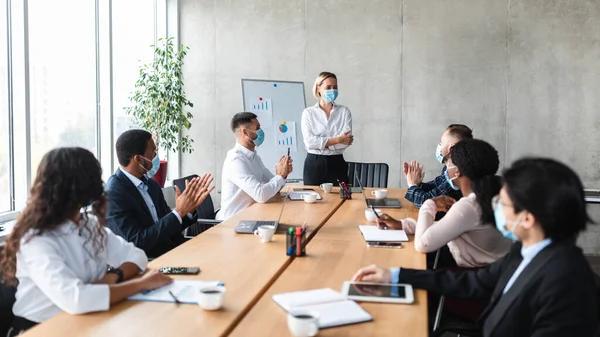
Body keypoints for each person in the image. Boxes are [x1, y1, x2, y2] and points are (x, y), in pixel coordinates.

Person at [353, 158, 600, 337]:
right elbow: (475, 283)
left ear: (527, 218)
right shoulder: (528, 251)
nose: (495, 209)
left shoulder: (566, 281)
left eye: (502, 203)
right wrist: (396, 276)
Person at [0, 148, 173, 335]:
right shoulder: (36, 239)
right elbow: (76, 300)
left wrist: (113, 277)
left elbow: (137, 256)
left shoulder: (88, 224)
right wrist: (141, 284)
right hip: (42, 328)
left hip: (88, 319)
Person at [377, 139, 511, 268]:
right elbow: (447, 226)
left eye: (448, 164)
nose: (446, 169)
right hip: (497, 269)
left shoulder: (468, 206)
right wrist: (402, 224)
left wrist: (429, 204)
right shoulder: (494, 196)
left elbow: (422, 244)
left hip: (473, 276)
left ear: (457, 171)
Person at [105, 130, 214, 258]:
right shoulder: (113, 194)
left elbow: (170, 227)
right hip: (150, 263)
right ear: (138, 159)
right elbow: (137, 242)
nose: (156, 156)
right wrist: (178, 213)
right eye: (153, 153)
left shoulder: (151, 185)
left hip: (173, 250)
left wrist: (188, 210)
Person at [217, 112, 292, 220]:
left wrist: (283, 174)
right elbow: (260, 194)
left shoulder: (254, 157)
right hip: (233, 222)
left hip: (251, 215)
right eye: (258, 128)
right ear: (245, 132)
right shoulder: (235, 160)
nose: (261, 132)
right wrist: (279, 177)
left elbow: (272, 186)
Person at [301, 71, 353, 186]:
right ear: (318, 88)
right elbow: (309, 142)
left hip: (337, 162)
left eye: (335, 87)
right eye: (328, 87)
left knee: (342, 199)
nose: (332, 91)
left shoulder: (344, 111)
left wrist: (321, 143)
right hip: (314, 163)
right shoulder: (308, 113)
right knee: (313, 200)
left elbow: (346, 142)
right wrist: (338, 140)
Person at [404, 124, 473, 207]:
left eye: (441, 142)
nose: (439, 146)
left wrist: (412, 184)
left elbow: (426, 203)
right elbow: (435, 187)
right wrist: (418, 184)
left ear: (451, 148)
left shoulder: (459, 175)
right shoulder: (449, 169)